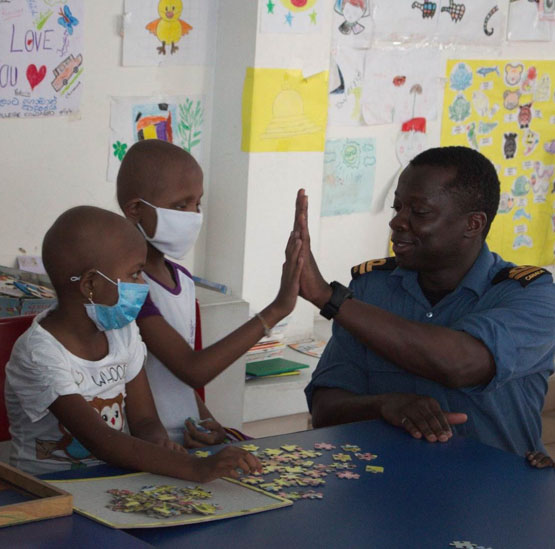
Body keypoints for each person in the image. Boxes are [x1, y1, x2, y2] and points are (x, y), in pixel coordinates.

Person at [298, 146, 555, 457]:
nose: (397, 222)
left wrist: (328, 297)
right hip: (382, 489)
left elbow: (461, 364)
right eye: (397, 208)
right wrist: (382, 405)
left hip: (493, 496)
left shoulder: (530, 295)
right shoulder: (371, 290)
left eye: (419, 212)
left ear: (473, 224)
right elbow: (325, 410)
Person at [5, 206, 261, 480]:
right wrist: (197, 468)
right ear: (91, 284)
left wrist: (159, 443)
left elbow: (144, 420)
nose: (143, 284)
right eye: (135, 274)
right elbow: (101, 440)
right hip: (49, 490)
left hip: (114, 478)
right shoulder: (39, 352)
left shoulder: (123, 332)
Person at [117, 139, 303, 447]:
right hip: (149, 445)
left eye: (197, 204)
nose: (193, 215)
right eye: (180, 205)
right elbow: (193, 369)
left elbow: (179, 380)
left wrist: (208, 422)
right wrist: (277, 309)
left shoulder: (185, 281)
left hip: (188, 440)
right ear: (136, 209)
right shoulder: (130, 288)